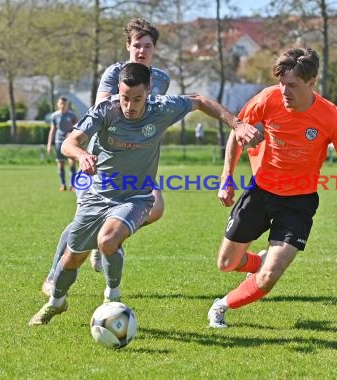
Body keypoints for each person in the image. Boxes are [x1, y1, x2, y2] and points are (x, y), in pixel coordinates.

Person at [29, 62, 263, 326]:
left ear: (149, 92)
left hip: (136, 197)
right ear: (118, 90)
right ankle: (56, 303)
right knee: (72, 257)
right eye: (126, 98)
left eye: (137, 99)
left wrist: (237, 123)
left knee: (108, 240)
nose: (130, 106)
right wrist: (82, 154)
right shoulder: (105, 110)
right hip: (97, 196)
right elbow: (70, 143)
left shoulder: (161, 109)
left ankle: (111, 299)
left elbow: (199, 101)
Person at [207, 48, 337, 329]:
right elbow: (237, 132)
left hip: (298, 203)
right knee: (227, 263)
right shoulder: (267, 99)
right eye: (281, 83)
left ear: (311, 82)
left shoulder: (332, 117)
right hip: (261, 192)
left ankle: (222, 306)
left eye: (292, 85)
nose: (284, 91)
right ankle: (258, 261)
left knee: (269, 275)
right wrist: (226, 177)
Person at [41, 18, 170, 297]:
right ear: (128, 46)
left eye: (147, 46)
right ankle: (53, 276)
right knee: (81, 221)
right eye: (136, 45)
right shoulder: (114, 73)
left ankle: (107, 239)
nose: (141, 51)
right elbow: (102, 107)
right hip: (99, 159)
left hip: (135, 164)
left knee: (156, 209)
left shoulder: (161, 79)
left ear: (155, 48)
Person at [46, 96, 78, 191]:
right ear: (58, 104)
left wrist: (71, 133)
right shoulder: (54, 116)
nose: (63, 105)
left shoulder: (72, 115)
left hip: (69, 142)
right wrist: (49, 144)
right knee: (61, 163)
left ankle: (72, 185)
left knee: (72, 163)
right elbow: (52, 130)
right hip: (58, 142)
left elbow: (78, 128)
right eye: (61, 103)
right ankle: (63, 184)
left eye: (64, 104)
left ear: (67, 105)